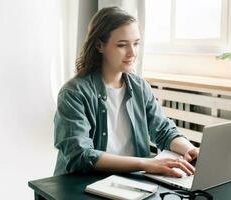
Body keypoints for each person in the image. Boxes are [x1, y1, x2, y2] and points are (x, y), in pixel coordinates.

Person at [53, 6, 199, 177]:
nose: (132, 53)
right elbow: (80, 155)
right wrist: (146, 163)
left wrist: (190, 149)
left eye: (136, 43)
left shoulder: (140, 87)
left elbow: (163, 130)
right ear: (100, 45)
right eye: (122, 45)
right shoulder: (73, 93)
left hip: (131, 180)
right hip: (84, 183)